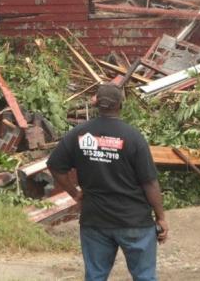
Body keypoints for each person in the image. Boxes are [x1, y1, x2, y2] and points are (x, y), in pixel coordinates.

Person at [47, 82, 168, 281]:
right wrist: (161, 217)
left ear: (96, 104)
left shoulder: (79, 134)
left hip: (95, 220)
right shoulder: (133, 137)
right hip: (134, 221)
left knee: (95, 276)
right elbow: (150, 182)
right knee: (144, 277)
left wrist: (75, 193)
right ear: (121, 105)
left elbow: (55, 166)